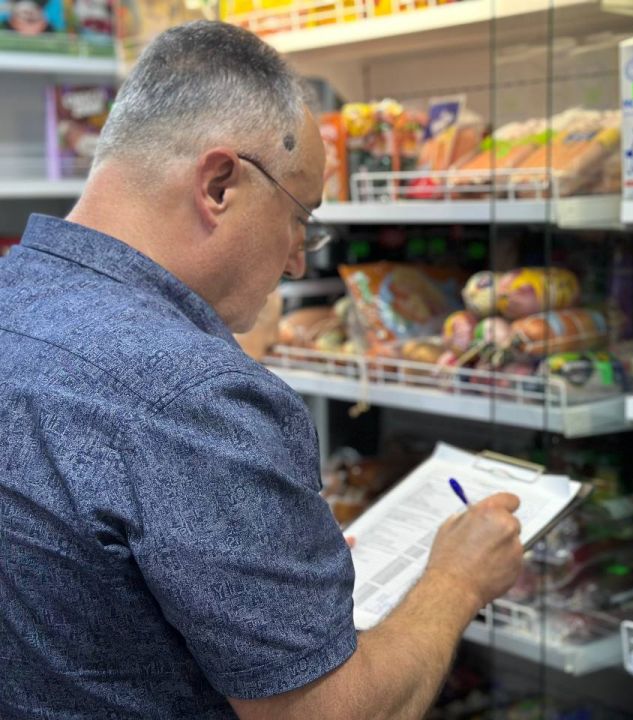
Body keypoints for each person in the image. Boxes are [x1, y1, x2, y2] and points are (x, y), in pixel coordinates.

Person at [0, 20, 523, 720]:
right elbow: (328, 714)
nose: (299, 260)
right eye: (301, 216)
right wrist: (456, 582)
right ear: (219, 184)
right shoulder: (200, 397)